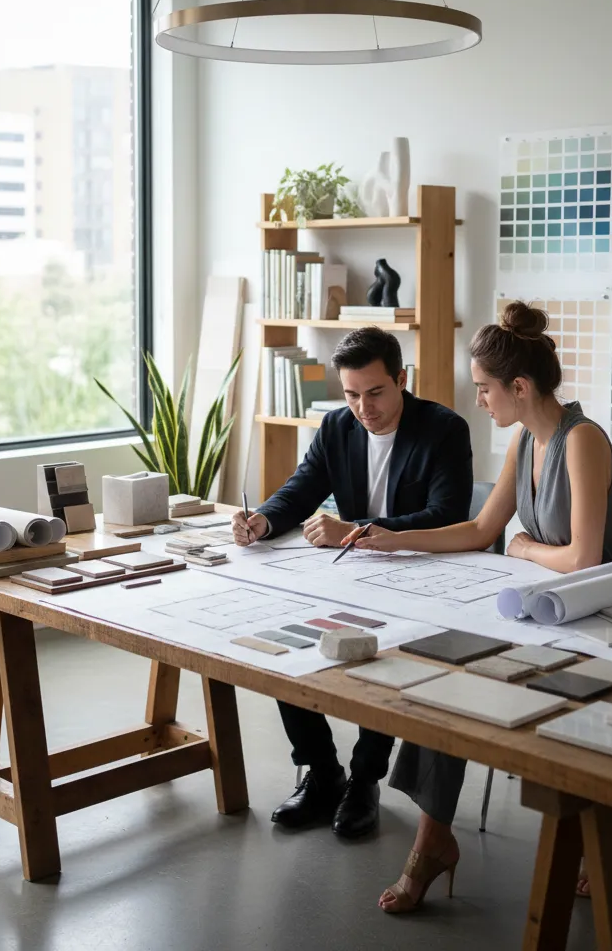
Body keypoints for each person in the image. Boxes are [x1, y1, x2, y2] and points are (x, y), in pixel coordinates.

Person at [341, 300, 612, 913]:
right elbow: (478, 531)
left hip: (596, 624)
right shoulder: (525, 439)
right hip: (545, 611)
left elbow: (585, 559)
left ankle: (446, 843)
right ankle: (434, 836)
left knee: (465, 676)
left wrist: (522, 546)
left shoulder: (583, 442)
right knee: (443, 673)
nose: (480, 403)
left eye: (485, 390)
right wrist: (393, 538)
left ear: (519, 387)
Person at [231, 327, 473, 840]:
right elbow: (301, 489)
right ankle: (322, 773)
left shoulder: (443, 428)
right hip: (349, 574)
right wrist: (265, 522)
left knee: (377, 655)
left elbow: (446, 514)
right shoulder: (337, 427)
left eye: (376, 392)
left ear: (401, 380)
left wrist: (357, 529)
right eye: (351, 394)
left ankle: (364, 780)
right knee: (282, 637)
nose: (364, 407)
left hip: (420, 575)